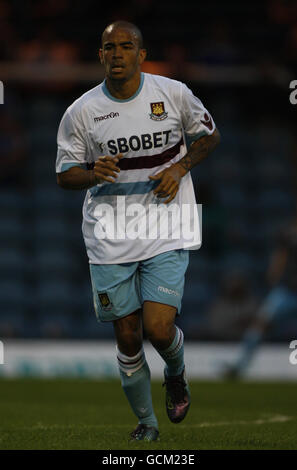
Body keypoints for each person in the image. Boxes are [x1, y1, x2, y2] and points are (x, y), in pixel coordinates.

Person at [56, 21, 220, 442]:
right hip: (110, 231)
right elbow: (64, 175)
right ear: (100, 55)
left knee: (158, 328)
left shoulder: (173, 93)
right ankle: (147, 424)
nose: (117, 53)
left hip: (165, 223)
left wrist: (180, 167)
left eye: (126, 46)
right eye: (109, 47)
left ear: (141, 54)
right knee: (128, 337)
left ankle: (176, 372)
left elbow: (209, 136)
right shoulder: (81, 112)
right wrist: (92, 173)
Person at [222, 217, 297, 379]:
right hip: (288, 290)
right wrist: (274, 275)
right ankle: (240, 366)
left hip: (286, 291)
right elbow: (280, 256)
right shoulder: (288, 231)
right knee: (260, 322)